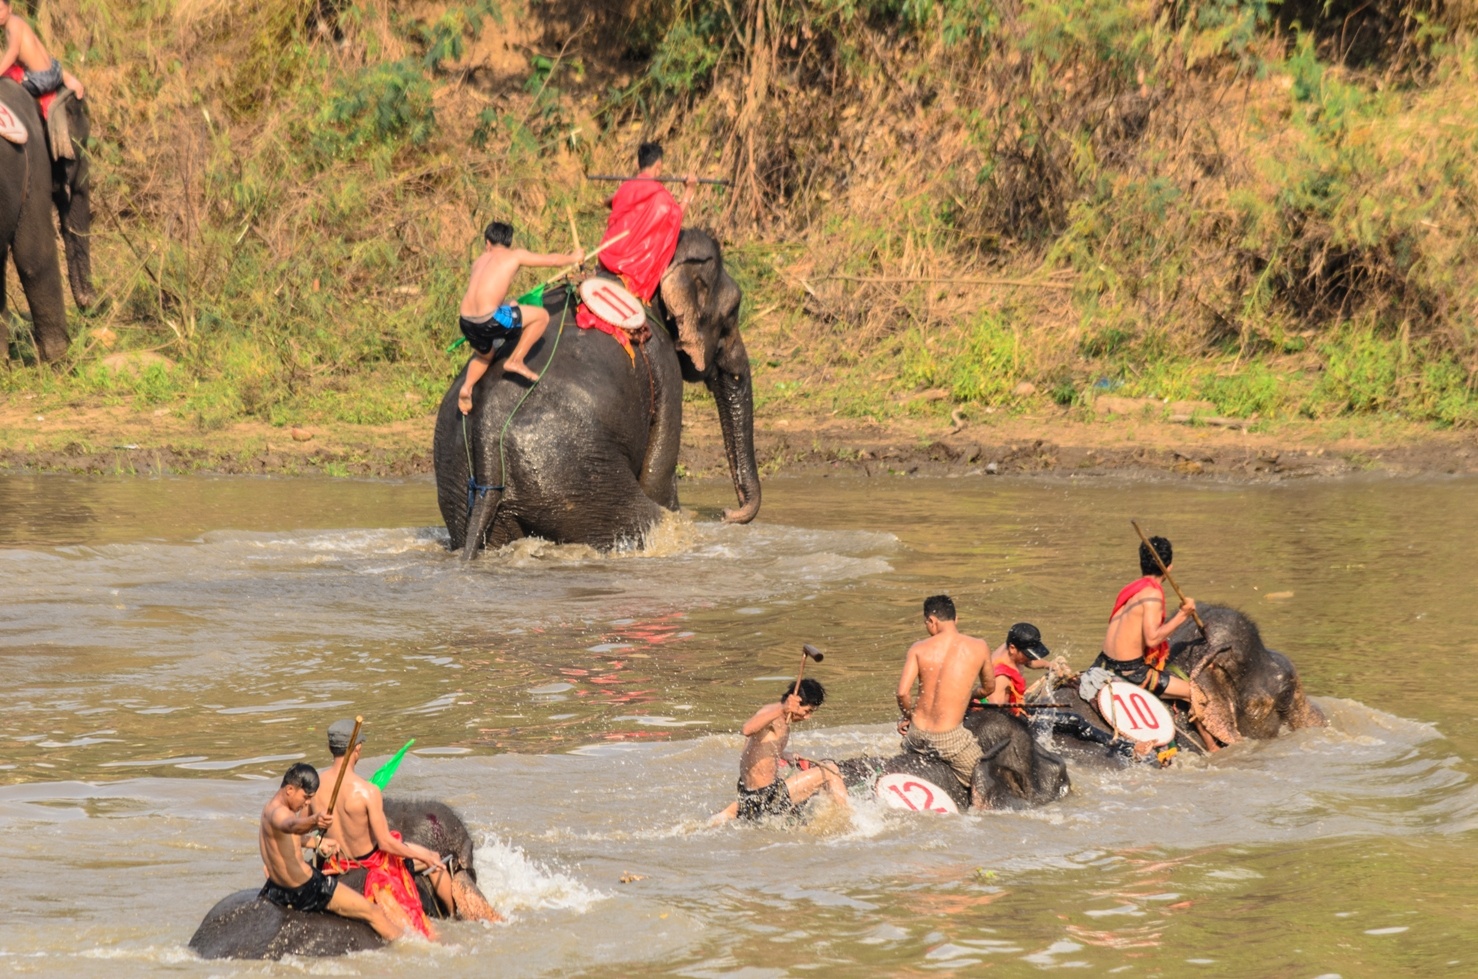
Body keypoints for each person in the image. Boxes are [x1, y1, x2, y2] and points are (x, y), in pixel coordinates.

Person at [313, 720, 488, 935]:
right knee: (437, 866)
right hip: (372, 863)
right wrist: (425, 854)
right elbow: (386, 843)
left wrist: (318, 838)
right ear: (357, 748)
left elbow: (302, 830)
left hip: (336, 863)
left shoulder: (314, 787)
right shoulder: (368, 791)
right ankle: (456, 919)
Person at [257, 762, 400, 942]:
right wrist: (314, 820)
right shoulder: (281, 814)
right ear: (290, 790)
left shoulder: (268, 809)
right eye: (305, 796)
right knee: (374, 912)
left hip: (276, 888)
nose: (307, 802)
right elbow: (291, 826)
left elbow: (287, 837)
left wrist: (318, 842)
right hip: (306, 889)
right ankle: (409, 948)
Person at [980, 623, 1159, 762]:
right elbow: (996, 715)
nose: (1030, 658)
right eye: (1028, 653)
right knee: (1076, 722)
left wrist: (1050, 665)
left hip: (1015, 708)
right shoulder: (1000, 676)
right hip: (1008, 717)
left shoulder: (1010, 652)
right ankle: (1129, 749)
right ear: (1012, 648)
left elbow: (1028, 662)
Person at [458, 221, 581, 404]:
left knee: (484, 356)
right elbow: (553, 261)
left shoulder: (478, 261)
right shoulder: (514, 256)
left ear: (487, 243)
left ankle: (466, 388)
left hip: (466, 322)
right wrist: (574, 257)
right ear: (509, 243)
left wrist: (510, 304)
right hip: (490, 320)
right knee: (541, 316)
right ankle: (515, 360)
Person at [895, 594, 994, 809]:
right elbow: (989, 688)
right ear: (956, 619)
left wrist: (908, 717)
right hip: (950, 740)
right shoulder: (979, 646)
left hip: (916, 735)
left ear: (931, 621)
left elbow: (902, 693)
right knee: (985, 775)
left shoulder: (918, 648)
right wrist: (965, 696)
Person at [712, 678, 849, 824]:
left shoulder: (779, 718)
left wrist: (784, 754)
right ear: (795, 702)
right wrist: (783, 708)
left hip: (752, 795)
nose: (808, 717)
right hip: (766, 797)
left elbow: (757, 747)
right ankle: (850, 819)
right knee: (830, 770)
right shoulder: (773, 714)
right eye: (807, 711)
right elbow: (747, 729)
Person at [1094, 536, 1196, 701]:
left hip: (1105, 664)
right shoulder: (1152, 595)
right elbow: (1152, 639)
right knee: (1199, 695)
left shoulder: (1131, 590)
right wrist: (1183, 614)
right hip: (1131, 672)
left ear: (1141, 563)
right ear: (1169, 568)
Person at [596, 141, 698, 301]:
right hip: (633, 269)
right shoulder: (661, 196)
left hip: (607, 258)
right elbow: (677, 218)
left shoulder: (625, 188)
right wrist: (689, 191)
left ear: (639, 164)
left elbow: (609, 201)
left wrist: (628, 189)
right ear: (658, 166)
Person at [0, 2, 84, 101]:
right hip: (55, 68)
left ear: (10, 8)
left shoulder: (12, 24)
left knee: (11, 91)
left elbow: (13, 52)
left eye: (1, 10)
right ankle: (64, 76)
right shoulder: (18, 22)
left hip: (40, 80)